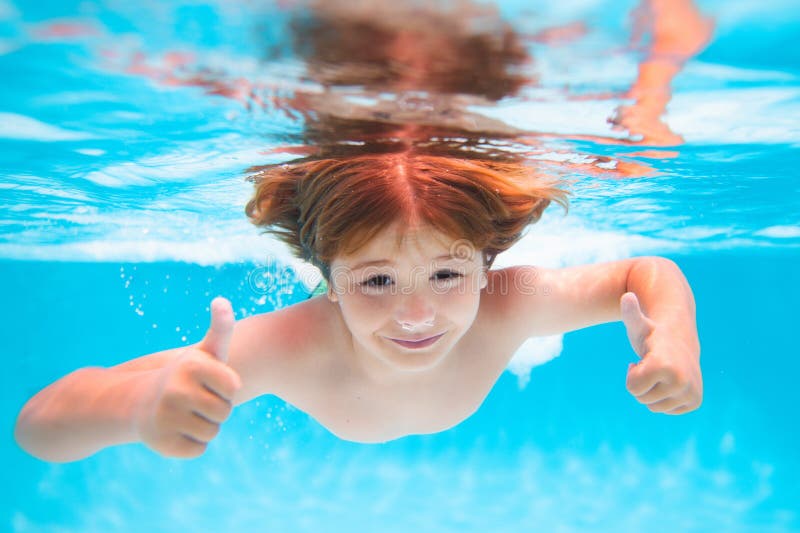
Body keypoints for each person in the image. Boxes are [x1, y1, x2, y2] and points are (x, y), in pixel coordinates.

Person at [14, 147, 702, 463]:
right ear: (327, 275)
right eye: (375, 282)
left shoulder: (506, 303)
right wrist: (137, 409)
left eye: (445, 275)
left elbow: (646, 271)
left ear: (485, 262)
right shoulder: (293, 343)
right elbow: (37, 424)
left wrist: (674, 338)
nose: (415, 315)